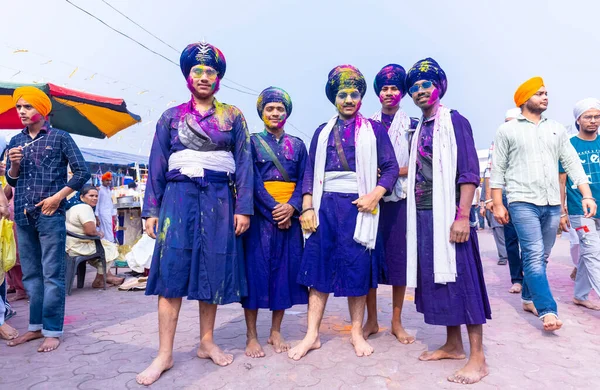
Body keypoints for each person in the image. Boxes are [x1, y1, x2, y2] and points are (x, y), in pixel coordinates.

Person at [136, 42, 253, 386]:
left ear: (219, 79)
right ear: (188, 76)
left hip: (219, 198)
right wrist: (151, 209)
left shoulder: (232, 116)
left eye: (210, 72)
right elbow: (156, 162)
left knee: (212, 269)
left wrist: (243, 207)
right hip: (178, 197)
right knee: (171, 270)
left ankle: (206, 342)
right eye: (197, 71)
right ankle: (164, 353)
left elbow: (245, 163)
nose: (203, 77)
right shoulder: (171, 117)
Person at [288, 65, 398, 360]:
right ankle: (312, 335)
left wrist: (374, 195)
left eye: (354, 94)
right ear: (333, 98)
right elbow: (309, 172)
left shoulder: (374, 130)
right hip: (324, 208)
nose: (349, 99)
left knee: (357, 270)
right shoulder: (321, 132)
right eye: (342, 94)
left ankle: (356, 333)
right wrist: (308, 207)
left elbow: (389, 168)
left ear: (361, 97)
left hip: (358, 208)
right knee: (318, 270)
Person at [405, 58, 491, 384]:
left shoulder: (455, 121)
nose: (420, 91)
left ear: (439, 86)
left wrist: (464, 216)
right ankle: (453, 344)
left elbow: (470, 172)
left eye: (426, 85)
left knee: (463, 280)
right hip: (425, 214)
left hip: (451, 214)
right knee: (440, 281)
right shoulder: (421, 128)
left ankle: (478, 358)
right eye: (414, 88)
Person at [491, 77, 596, 331]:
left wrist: (587, 195)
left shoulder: (557, 129)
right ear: (525, 99)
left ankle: (528, 298)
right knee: (535, 254)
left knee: (543, 255)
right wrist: (497, 203)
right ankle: (547, 310)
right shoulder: (508, 130)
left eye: (546, 92)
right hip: (521, 201)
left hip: (550, 203)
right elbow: (498, 169)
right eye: (539, 93)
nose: (545, 97)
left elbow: (572, 164)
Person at [5, 86, 90, 352]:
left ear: (42, 109)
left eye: (27, 106)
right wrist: (14, 164)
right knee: (31, 275)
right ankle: (35, 328)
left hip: (50, 214)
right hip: (22, 214)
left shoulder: (60, 137)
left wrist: (58, 198)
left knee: (52, 274)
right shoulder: (15, 141)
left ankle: (53, 330)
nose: (22, 112)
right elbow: (11, 180)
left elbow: (81, 172)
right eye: (19, 107)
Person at [242, 87, 309, 358]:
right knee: (255, 275)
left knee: (284, 274)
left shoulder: (298, 145)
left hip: (289, 218)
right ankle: (251, 335)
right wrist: (273, 209)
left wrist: (292, 207)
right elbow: (249, 179)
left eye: (280, 109)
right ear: (262, 112)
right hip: (260, 217)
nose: (275, 113)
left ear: (287, 113)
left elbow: (305, 178)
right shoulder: (251, 142)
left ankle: (276, 331)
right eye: (270, 108)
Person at [364, 64, 417, 344]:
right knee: (369, 258)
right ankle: (371, 320)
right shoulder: (365, 124)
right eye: (384, 88)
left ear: (402, 93)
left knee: (399, 262)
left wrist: (390, 172)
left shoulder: (412, 126)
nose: (388, 92)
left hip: (400, 199)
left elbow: (418, 163)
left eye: (394, 88)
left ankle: (396, 322)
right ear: (377, 93)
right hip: (369, 198)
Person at [559, 98, 600, 311]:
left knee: (588, 253)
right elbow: (562, 180)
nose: (593, 121)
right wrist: (561, 210)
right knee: (593, 253)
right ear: (578, 120)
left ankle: (580, 295)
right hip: (580, 211)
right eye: (588, 117)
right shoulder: (569, 146)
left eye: (597, 116)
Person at [484, 108, 522, 287]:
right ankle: (517, 279)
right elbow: (491, 172)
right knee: (511, 238)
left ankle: (531, 277)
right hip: (507, 196)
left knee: (532, 242)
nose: (508, 125)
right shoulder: (498, 143)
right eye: (506, 121)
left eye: (512, 121)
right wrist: (490, 199)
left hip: (530, 196)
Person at [65, 185, 124, 287]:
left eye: (96, 196)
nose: (94, 198)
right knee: (111, 247)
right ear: (82, 197)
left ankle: (107, 276)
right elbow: (90, 231)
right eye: (91, 195)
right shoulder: (84, 208)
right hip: (78, 246)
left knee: (104, 246)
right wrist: (99, 233)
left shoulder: (74, 206)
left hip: (71, 244)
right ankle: (99, 280)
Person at [96, 172, 116, 243]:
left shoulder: (109, 190)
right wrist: (97, 216)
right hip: (102, 214)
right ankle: (108, 244)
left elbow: (111, 203)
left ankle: (110, 244)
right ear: (102, 181)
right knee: (104, 230)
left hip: (109, 214)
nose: (109, 182)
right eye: (107, 180)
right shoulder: (99, 190)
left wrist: (114, 214)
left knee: (109, 230)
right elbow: (97, 203)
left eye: (110, 180)